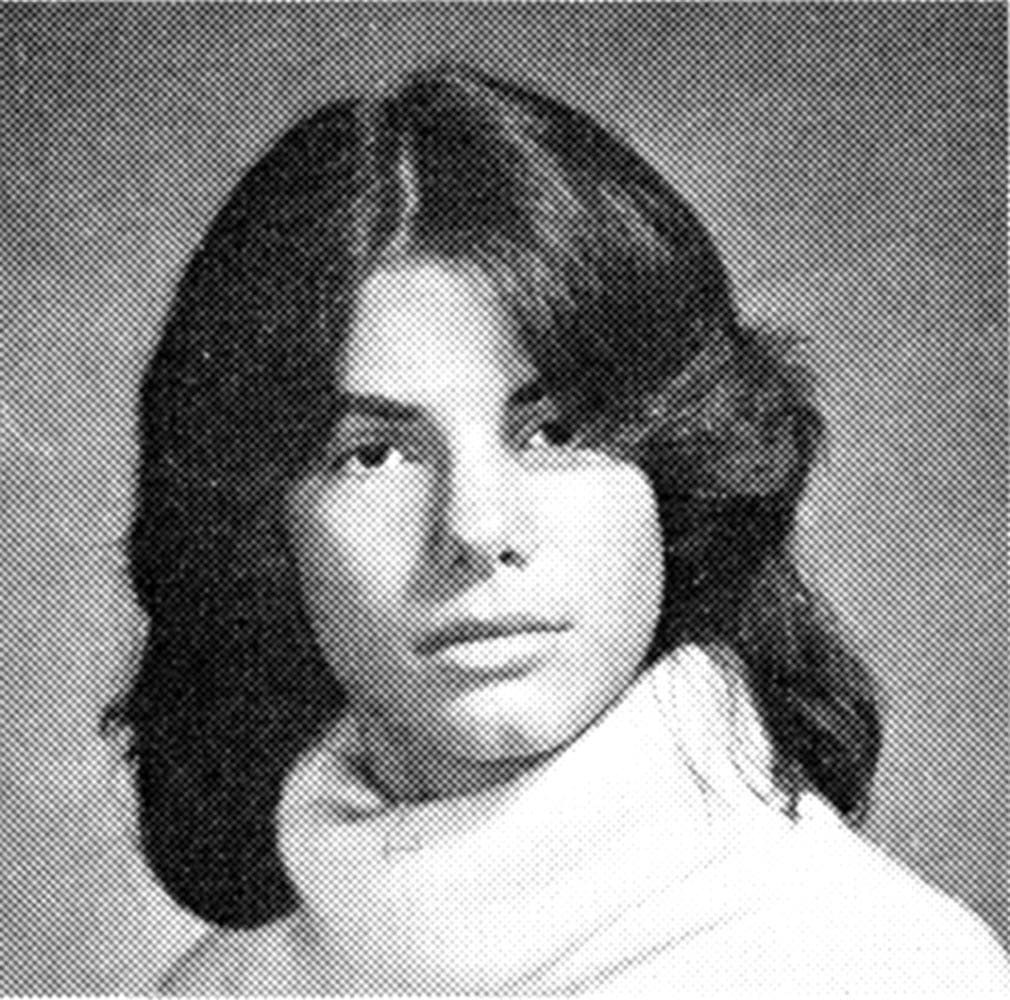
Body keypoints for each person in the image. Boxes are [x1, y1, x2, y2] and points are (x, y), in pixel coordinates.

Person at [104, 64, 1008, 994]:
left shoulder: (890, 969)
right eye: (372, 454)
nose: (476, 527)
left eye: (553, 433)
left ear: (679, 477)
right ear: (261, 528)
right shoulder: (214, 991)